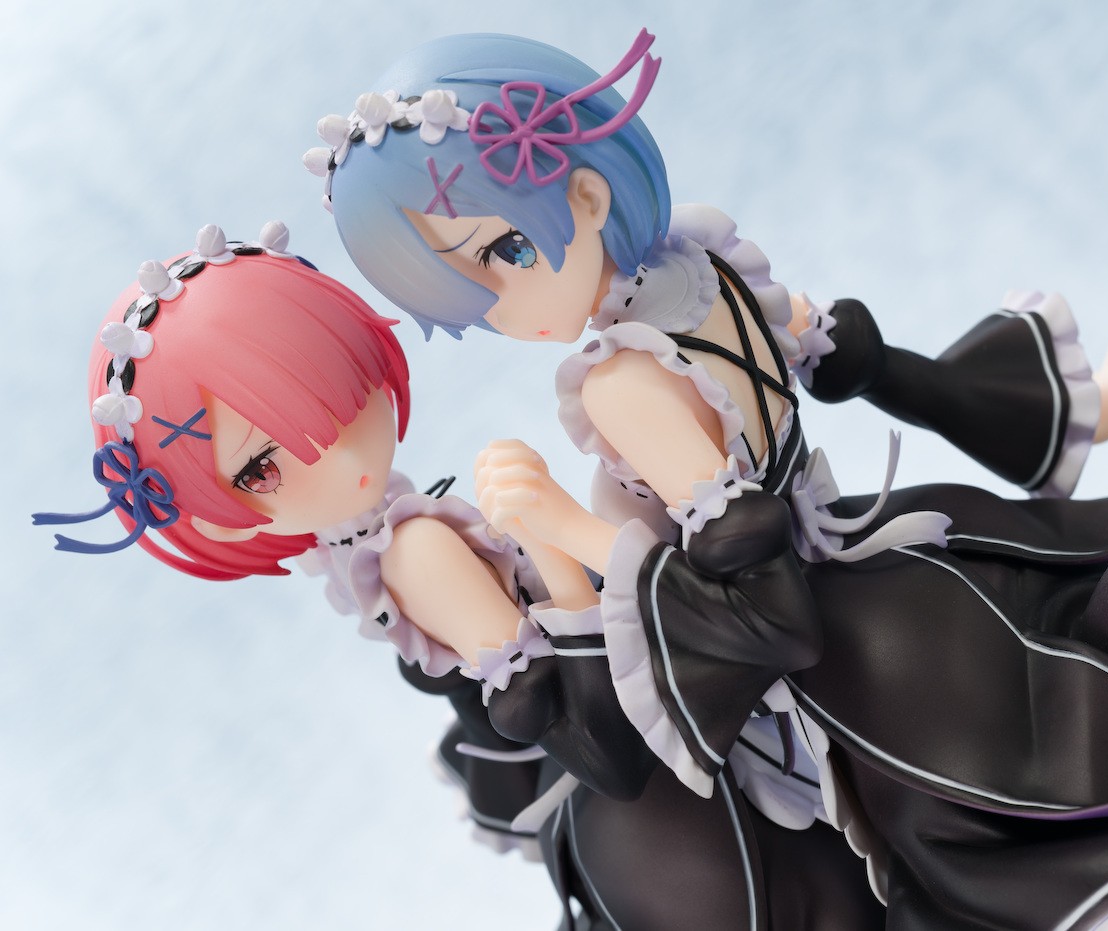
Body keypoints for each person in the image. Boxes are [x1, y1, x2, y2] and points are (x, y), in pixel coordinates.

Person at [312, 29, 1108, 929]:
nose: (499, 306)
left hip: (861, 669)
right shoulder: (708, 276)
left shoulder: (620, 383)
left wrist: (566, 525)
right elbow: (860, 362)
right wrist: (1073, 409)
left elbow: (757, 595)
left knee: (1009, 869)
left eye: (501, 252)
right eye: (462, 284)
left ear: (586, 194)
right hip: (913, 564)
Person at [35, 222, 883, 930]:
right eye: (261, 467)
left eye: (327, 386)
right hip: (657, 780)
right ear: (222, 516)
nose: (324, 448)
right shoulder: (412, 553)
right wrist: (558, 544)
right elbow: (612, 755)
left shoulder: (395, 542)